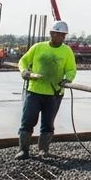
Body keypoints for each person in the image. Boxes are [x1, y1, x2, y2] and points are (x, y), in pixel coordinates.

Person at [16, 20, 77, 159]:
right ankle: (23, 150)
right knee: (27, 121)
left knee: (48, 123)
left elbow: (71, 69)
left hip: (54, 94)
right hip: (34, 92)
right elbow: (23, 61)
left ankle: (43, 150)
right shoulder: (38, 47)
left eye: (63, 35)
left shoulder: (66, 51)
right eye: (59, 34)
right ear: (51, 33)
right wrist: (24, 71)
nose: (62, 38)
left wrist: (67, 79)